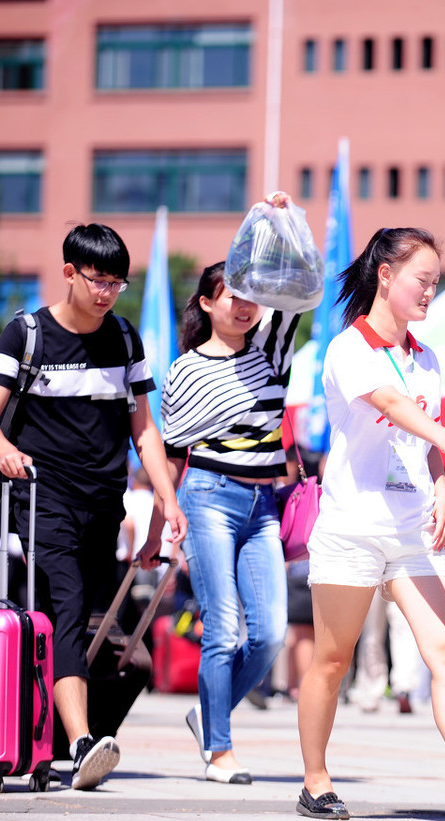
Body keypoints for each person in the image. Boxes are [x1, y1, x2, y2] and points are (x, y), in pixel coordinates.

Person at [294, 226, 445, 821]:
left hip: (412, 534)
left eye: (435, 282)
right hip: (352, 525)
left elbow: (421, 434)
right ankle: (315, 780)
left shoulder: (427, 358)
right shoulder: (349, 348)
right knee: (332, 658)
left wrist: (443, 484)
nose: (431, 291)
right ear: (385, 276)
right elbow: (393, 407)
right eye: (421, 280)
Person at [0, 222, 186, 791]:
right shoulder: (27, 334)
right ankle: (82, 741)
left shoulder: (124, 338)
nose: (108, 292)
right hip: (44, 497)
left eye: (118, 282)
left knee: (89, 614)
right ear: (70, 272)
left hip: (104, 500)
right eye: (98, 280)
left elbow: (145, 430)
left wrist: (166, 497)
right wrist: (9, 454)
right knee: (66, 606)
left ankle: (44, 726)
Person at [139, 192, 307, 786]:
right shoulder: (185, 368)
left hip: (262, 505)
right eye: (231, 294)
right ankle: (219, 749)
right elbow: (172, 448)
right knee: (225, 627)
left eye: (249, 295)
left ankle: (207, 716)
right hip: (207, 496)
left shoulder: (273, 353)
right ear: (208, 303)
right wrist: (162, 529)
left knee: (268, 636)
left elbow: (296, 286)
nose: (244, 305)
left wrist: (273, 221)